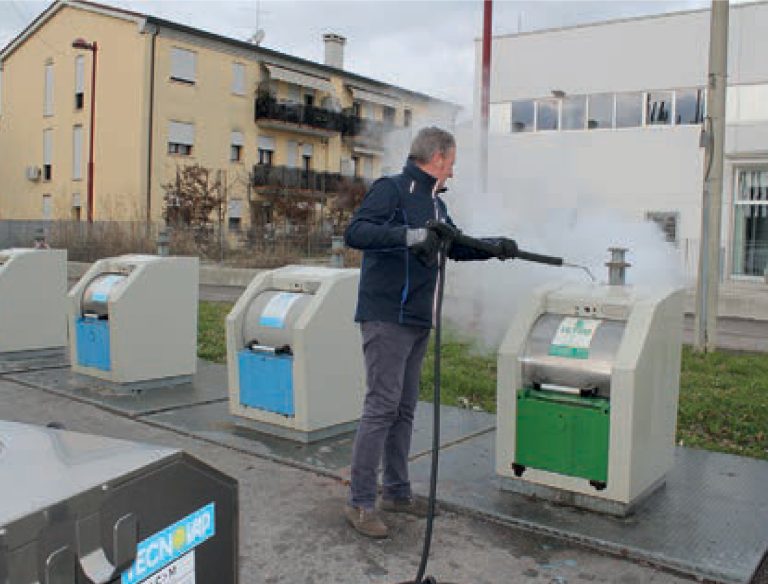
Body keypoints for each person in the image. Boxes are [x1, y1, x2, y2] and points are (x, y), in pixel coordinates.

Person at [343, 126, 517, 538]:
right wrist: (411, 236)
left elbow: (454, 244)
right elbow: (357, 232)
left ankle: (397, 492)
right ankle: (360, 502)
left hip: (418, 320)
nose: (452, 172)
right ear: (436, 158)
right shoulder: (392, 189)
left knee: (403, 409)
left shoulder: (436, 206)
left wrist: (495, 248)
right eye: (451, 163)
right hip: (387, 317)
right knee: (381, 407)